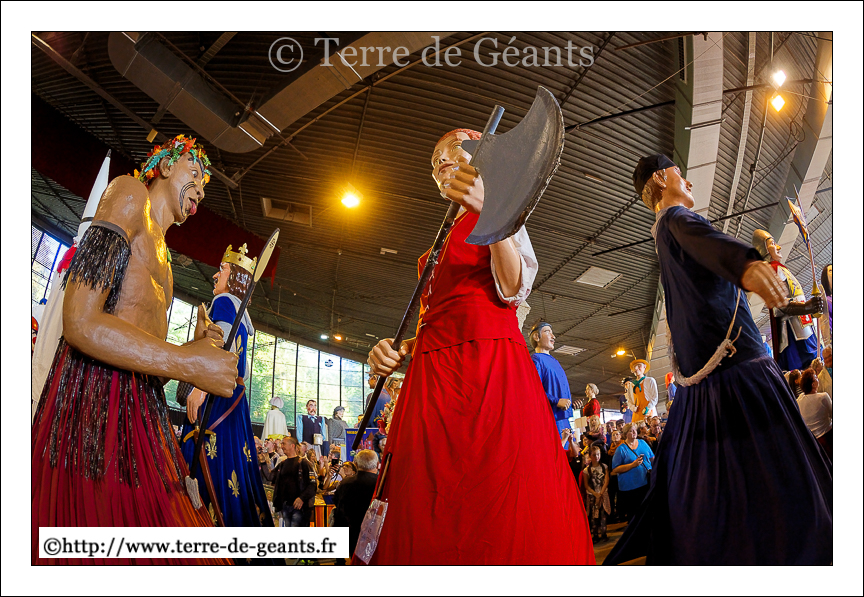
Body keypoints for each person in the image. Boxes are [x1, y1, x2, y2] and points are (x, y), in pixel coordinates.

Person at [362, 128, 594, 565]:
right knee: (426, 492)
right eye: (434, 162)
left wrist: (491, 213)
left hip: (485, 367)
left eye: (452, 151)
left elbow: (512, 287)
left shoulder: (502, 212)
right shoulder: (438, 240)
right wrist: (401, 349)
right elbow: (437, 316)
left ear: (481, 157)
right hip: (431, 377)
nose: (441, 164)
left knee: (494, 484)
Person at [606, 154, 831, 565]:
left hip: (713, 383)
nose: (688, 181)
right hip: (740, 375)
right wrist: (746, 265)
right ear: (661, 178)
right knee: (785, 483)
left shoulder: (664, 239)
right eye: (679, 174)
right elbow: (701, 236)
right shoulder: (676, 221)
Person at [31, 135, 236, 565]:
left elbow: (151, 366)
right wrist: (186, 361)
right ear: (166, 165)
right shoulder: (128, 193)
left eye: (204, 187)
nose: (201, 191)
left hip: (140, 410)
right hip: (94, 403)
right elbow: (80, 321)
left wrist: (194, 349)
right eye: (195, 174)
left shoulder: (168, 265)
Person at [180, 243, 275, 534]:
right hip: (235, 397)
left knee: (201, 460)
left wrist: (201, 387)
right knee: (233, 462)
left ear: (234, 278)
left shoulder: (223, 302)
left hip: (217, 394)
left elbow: (223, 349)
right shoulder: (241, 312)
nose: (215, 275)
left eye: (221, 270)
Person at [752, 229, 823, 371]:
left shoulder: (782, 269)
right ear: (764, 250)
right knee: (804, 372)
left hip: (805, 329)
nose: (778, 247)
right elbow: (780, 305)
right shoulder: (771, 270)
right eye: (773, 244)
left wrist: (811, 308)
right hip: (793, 333)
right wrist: (807, 307)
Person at [259, 437, 317, 527]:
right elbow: (270, 476)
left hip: (300, 508)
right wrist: (263, 462)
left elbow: (312, 485)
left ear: (292, 445)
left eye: (284, 444)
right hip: (286, 506)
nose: (281, 446)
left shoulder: (304, 463)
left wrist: (302, 498)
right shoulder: (282, 464)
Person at [529, 321, 574, 438]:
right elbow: (534, 388)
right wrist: (556, 401)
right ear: (536, 336)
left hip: (562, 418)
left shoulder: (554, 361)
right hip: (550, 418)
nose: (553, 336)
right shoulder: (536, 359)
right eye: (548, 332)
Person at [333, 449, 379, 558]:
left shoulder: (345, 483)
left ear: (356, 464)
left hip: (351, 532)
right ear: (377, 464)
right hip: (375, 534)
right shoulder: (381, 484)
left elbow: (337, 503)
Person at [610, 423, 653, 524]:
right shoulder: (621, 449)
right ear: (625, 434)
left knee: (646, 513)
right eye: (630, 431)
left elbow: (652, 458)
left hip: (645, 482)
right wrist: (632, 465)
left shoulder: (642, 442)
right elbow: (615, 469)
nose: (634, 432)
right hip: (630, 488)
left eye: (634, 430)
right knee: (634, 516)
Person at [798, 369, 832, 460]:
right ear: (813, 385)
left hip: (810, 442)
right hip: (826, 438)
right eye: (816, 377)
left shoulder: (800, 399)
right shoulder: (823, 397)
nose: (818, 379)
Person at [581, 445, 611, 543]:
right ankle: (595, 535)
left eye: (598, 454)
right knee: (594, 515)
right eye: (594, 455)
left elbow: (606, 480)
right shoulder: (586, 470)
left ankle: (604, 534)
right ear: (590, 456)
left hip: (603, 493)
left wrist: (600, 493)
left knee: (603, 515)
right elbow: (586, 485)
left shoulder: (604, 467)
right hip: (592, 495)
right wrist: (595, 494)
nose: (597, 457)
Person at [624, 359, 657, 423]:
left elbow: (655, 397)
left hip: (648, 412)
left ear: (644, 367)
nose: (636, 368)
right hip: (637, 414)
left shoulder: (650, 380)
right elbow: (629, 400)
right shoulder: (631, 385)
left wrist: (648, 408)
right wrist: (633, 408)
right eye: (634, 367)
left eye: (639, 366)